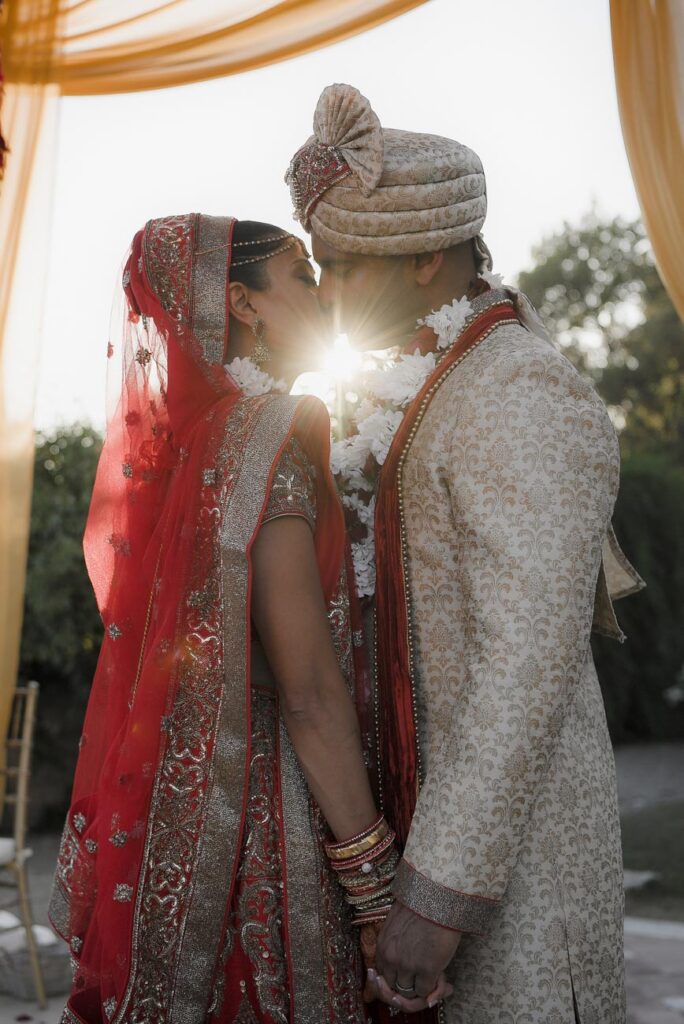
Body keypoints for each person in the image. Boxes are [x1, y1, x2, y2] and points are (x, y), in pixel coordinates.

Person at [286, 85, 644, 1023]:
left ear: (431, 256)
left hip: (510, 867)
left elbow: (524, 664)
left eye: (347, 268)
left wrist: (437, 894)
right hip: (426, 825)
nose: (327, 296)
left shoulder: (517, 387)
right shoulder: (431, 378)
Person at [49, 214, 445, 1023]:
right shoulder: (267, 443)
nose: (324, 293)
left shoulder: (194, 448)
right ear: (244, 303)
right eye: (302, 275)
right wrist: (375, 890)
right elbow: (309, 694)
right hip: (274, 819)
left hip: (192, 817)